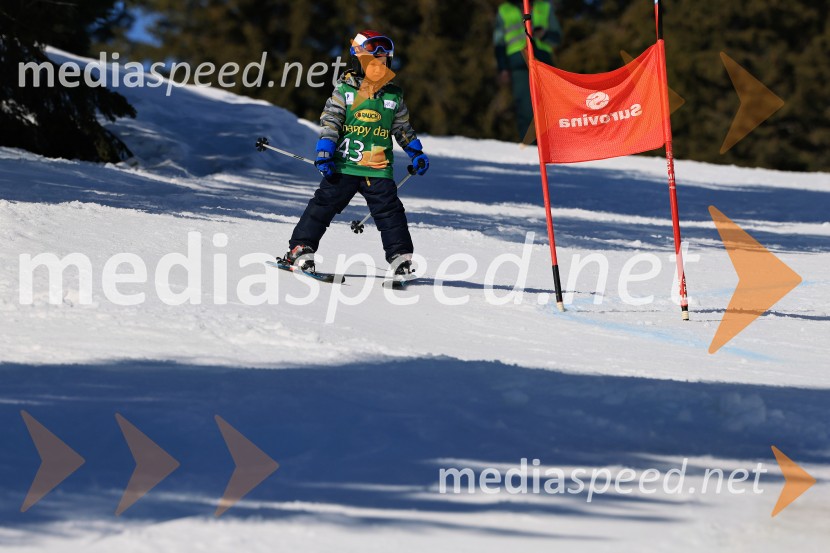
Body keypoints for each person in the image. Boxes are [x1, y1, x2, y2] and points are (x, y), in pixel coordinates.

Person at [283, 30, 430, 276]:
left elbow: (402, 128)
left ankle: (400, 259)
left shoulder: (393, 96)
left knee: (390, 212)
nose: (378, 68)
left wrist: (416, 152)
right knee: (323, 206)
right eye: (371, 63)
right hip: (344, 166)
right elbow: (331, 122)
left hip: (379, 169)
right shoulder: (345, 92)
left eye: (383, 63)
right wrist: (325, 151)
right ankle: (301, 249)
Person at [494, 0, 562, 141]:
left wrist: (544, 34)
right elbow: (499, 42)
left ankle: (551, 144)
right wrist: (503, 68)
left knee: (547, 107)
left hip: (543, 62)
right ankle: (531, 147)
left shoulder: (544, 7)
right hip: (518, 63)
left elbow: (557, 37)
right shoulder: (505, 10)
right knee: (525, 107)